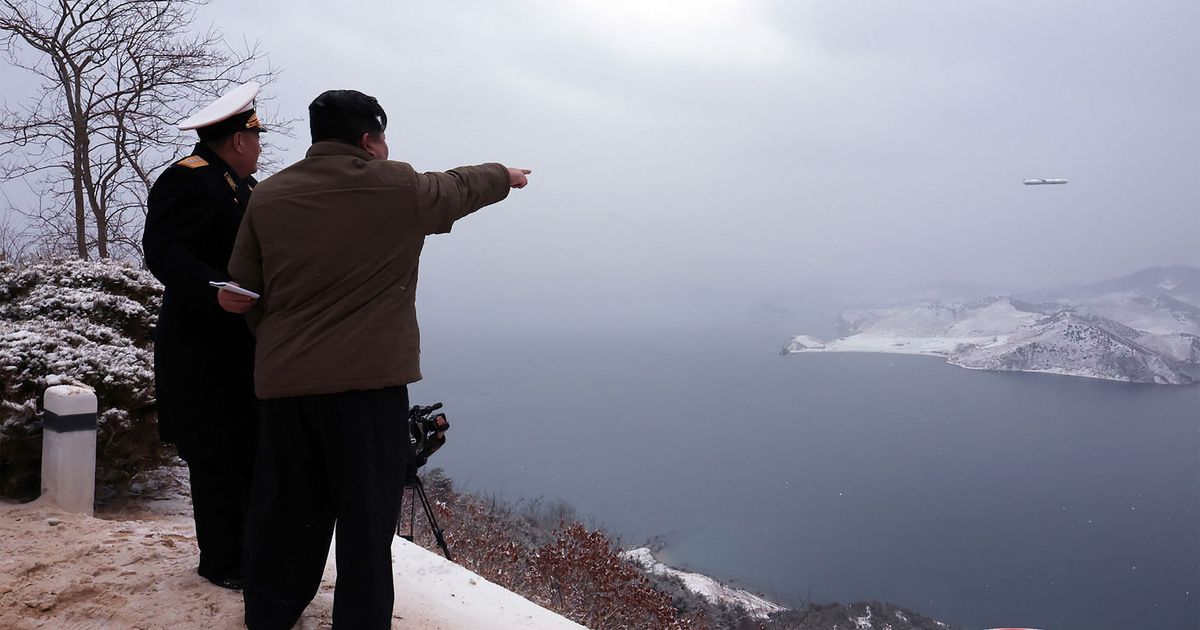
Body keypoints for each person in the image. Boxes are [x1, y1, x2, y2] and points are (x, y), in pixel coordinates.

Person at [221, 89, 531, 630]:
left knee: (288, 509)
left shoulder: (267, 196)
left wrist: (277, 343)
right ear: (369, 139)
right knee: (366, 521)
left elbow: (244, 292)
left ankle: (270, 614)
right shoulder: (397, 187)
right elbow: (459, 186)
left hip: (286, 387)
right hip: (369, 390)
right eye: (382, 138)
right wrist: (504, 175)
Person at [142, 82, 266, 591]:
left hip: (244, 347)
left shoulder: (247, 188)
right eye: (256, 139)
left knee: (248, 451)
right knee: (215, 456)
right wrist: (212, 292)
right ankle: (222, 564)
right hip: (200, 347)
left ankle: (249, 554)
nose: (260, 148)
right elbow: (163, 251)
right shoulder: (185, 180)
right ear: (238, 140)